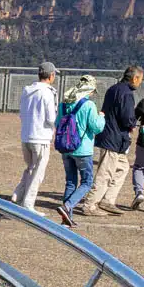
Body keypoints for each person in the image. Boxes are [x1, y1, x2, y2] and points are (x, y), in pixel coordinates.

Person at [83, 66, 143, 215]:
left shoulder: (113, 89)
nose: (140, 83)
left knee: (122, 167)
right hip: (114, 138)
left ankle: (108, 200)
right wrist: (132, 124)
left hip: (110, 136)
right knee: (105, 172)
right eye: (140, 80)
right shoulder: (127, 94)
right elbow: (127, 118)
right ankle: (90, 204)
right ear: (135, 78)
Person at [55, 74, 106, 228]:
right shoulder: (89, 105)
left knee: (71, 182)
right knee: (87, 182)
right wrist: (101, 117)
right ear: (90, 90)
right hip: (82, 149)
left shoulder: (64, 104)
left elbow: (57, 123)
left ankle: (66, 219)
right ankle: (67, 206)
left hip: (66, 148)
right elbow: (96, 127)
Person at [13, 61, 59, 211]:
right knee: (38, 171)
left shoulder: (27, 91)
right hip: (41, 137)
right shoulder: (48, 93)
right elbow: (51, 118)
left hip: (26, 135)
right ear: (51, 75)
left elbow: (21, 113)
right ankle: (28, 203)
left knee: (30, 168)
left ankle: (18, 195)